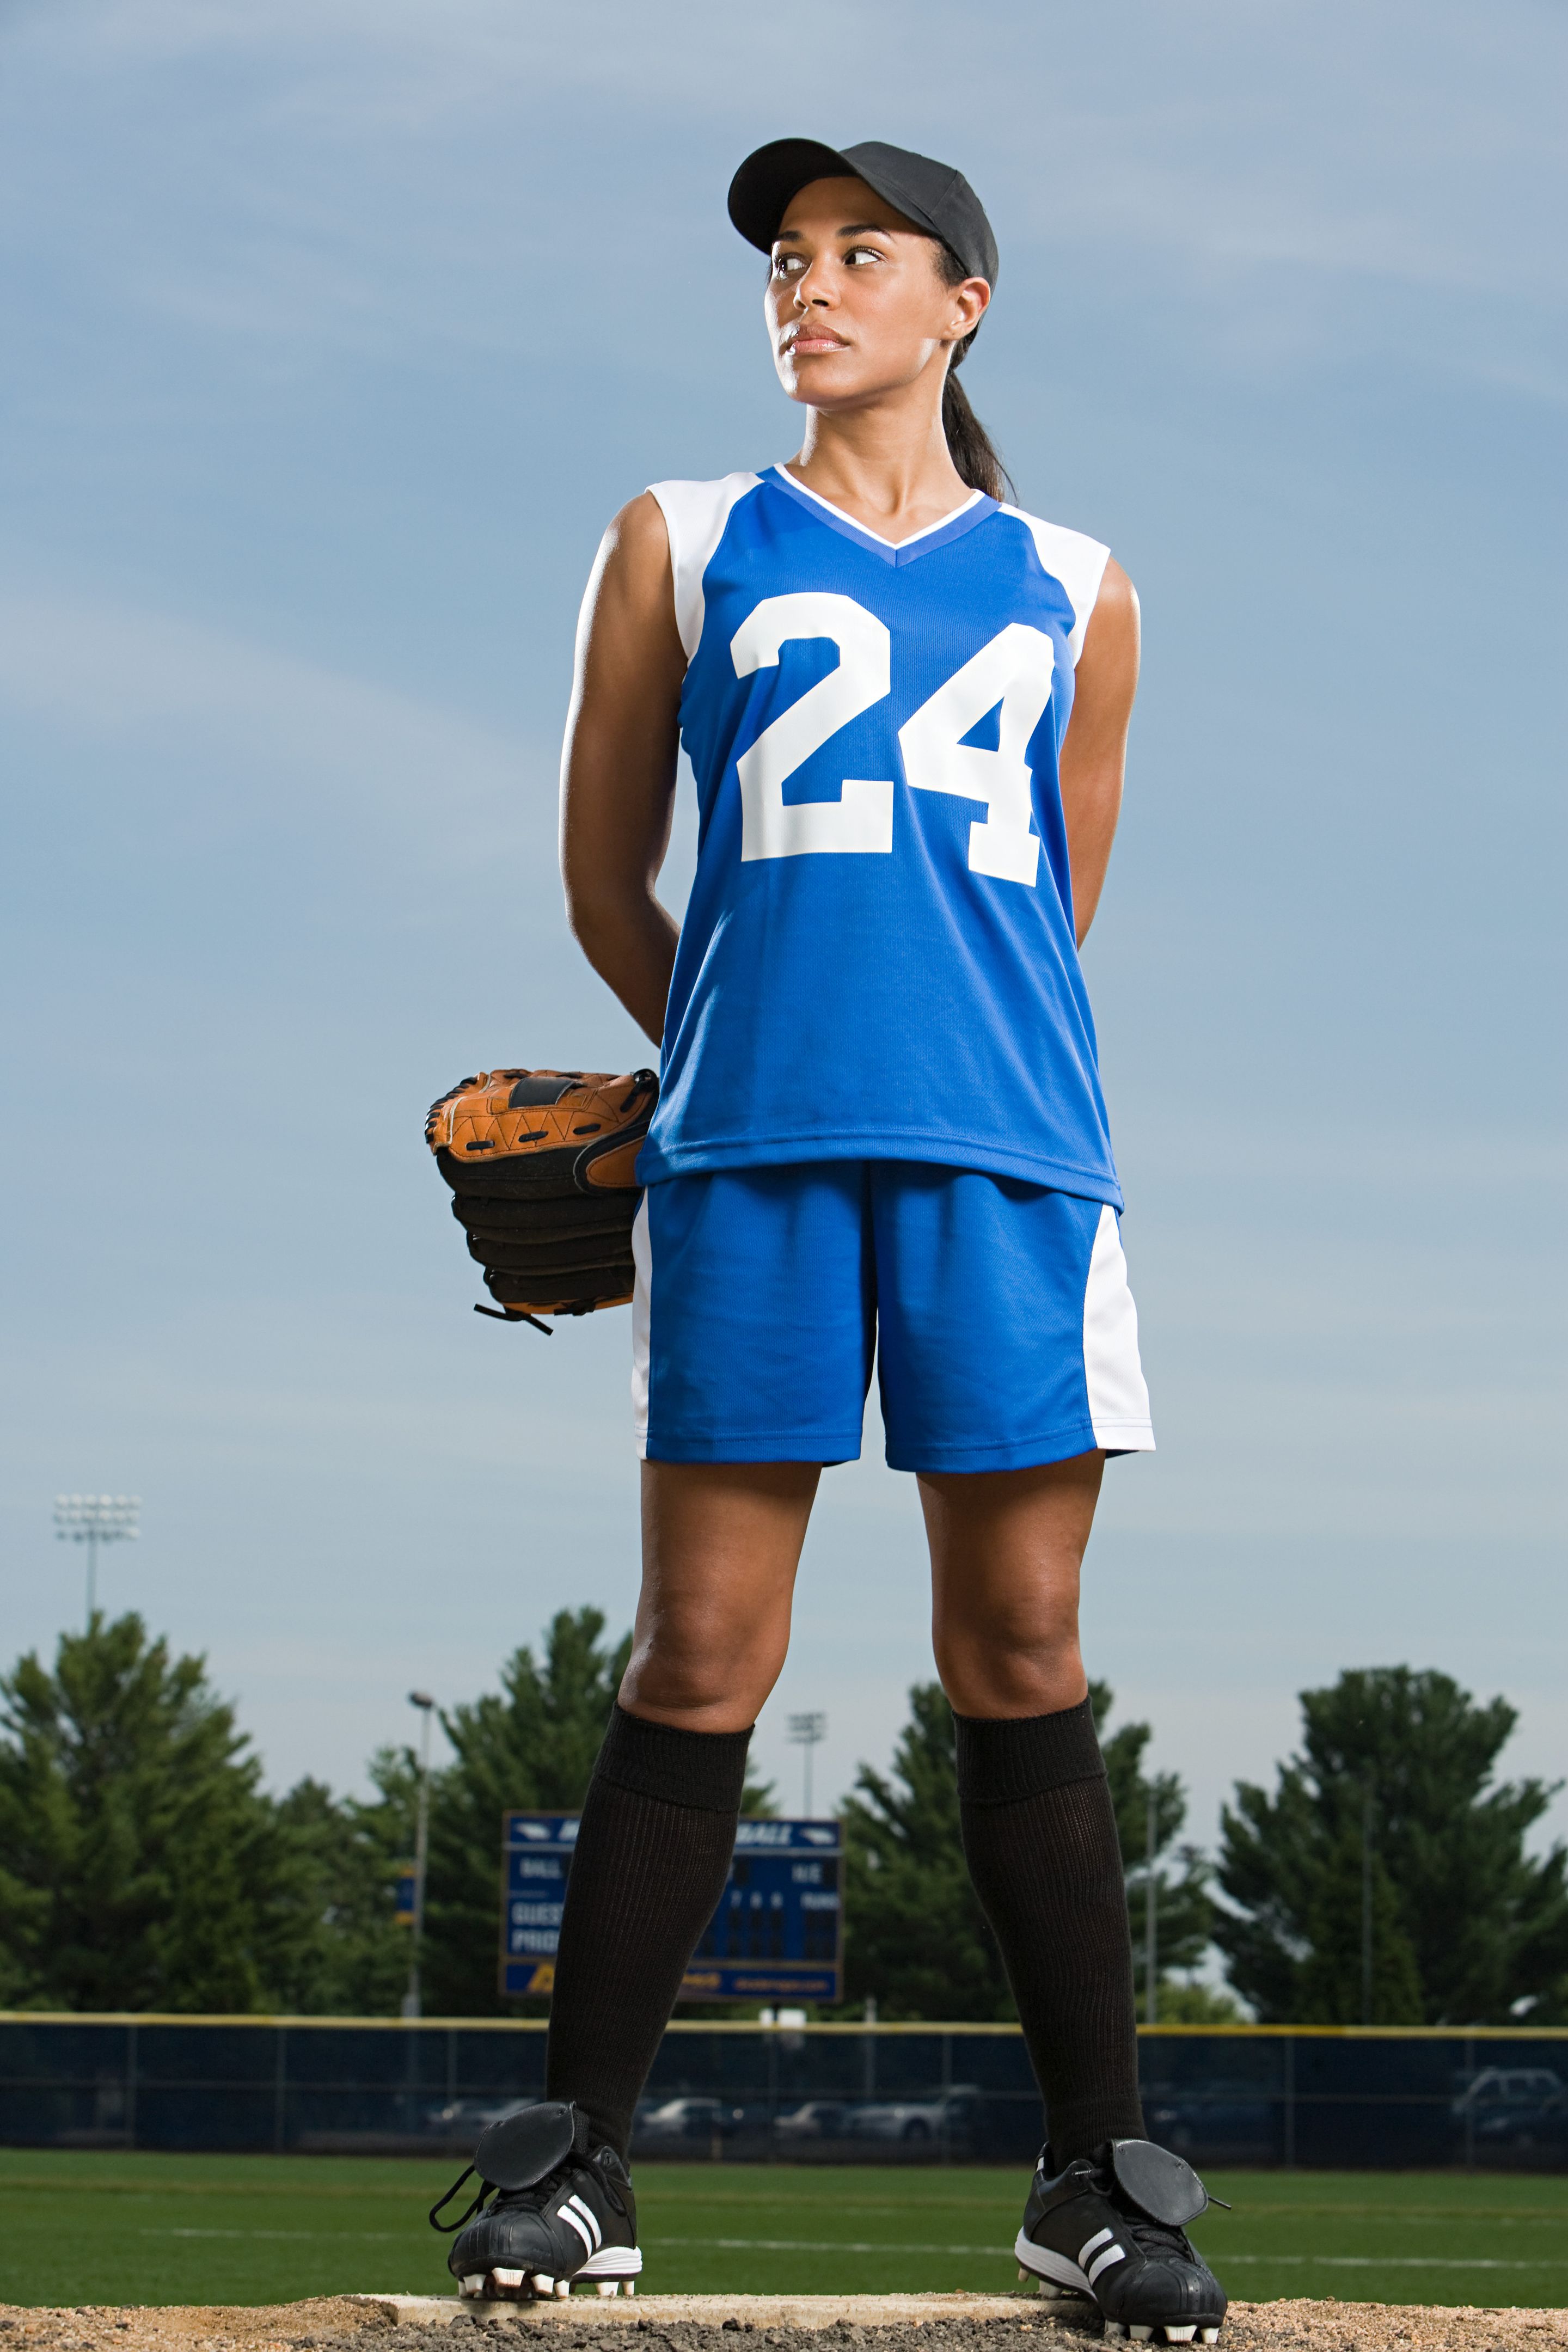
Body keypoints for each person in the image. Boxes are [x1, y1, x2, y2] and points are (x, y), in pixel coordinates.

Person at [443, 137, 1226, 2338]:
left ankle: (1099, 2186)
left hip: (1009, 1160)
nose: (811, 287)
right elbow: (616, 884)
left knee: (1025, 1643)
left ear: (960, 298)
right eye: (789, 260)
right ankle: (576, 2169)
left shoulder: (1079, 582)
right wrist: (736, 1046)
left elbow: (1050, 912)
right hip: (751, 1156)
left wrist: (923, 1043)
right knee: (702, 1651)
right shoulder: (679, 540)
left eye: (859, 254)